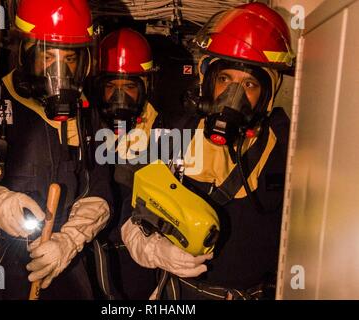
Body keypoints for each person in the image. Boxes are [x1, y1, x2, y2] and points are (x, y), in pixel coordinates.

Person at [120, 3, 294, 300]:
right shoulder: (174, 134)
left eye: (249, 84)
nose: (232, 97)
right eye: (225, 80)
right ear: (208, 81)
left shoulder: (287, 143)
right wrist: (154, 249)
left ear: (266, 95)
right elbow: (130, 211)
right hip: (180, 295)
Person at [0, 0, 112, 299]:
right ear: (24, 52)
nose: (60, 69)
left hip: (63, 266)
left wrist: (69, 240)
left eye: (70, 57)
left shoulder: (86, 116)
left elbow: (99, 191)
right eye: (48, 54)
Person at [93, 28, 163, 299]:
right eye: (110, 87)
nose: (118, 97)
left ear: (145, 87)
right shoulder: (83, 126)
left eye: (129, 87)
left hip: (138, 252)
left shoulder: (165, 131)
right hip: (91, 246)